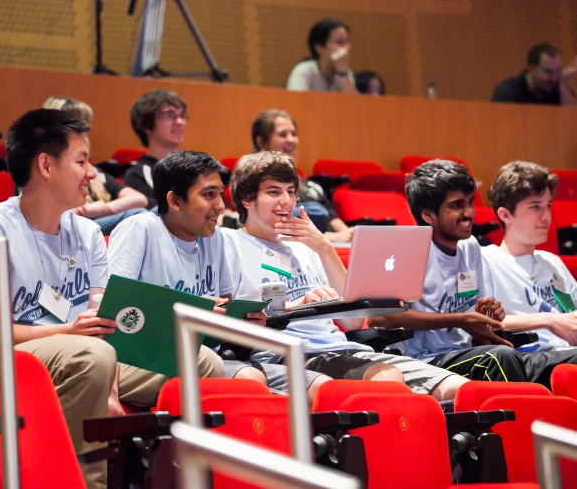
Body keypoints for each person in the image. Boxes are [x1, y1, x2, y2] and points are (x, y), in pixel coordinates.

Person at [0, 109, 222, 489]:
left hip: (89, 355)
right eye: (81, 160)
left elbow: (105, 320)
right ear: (45, 165)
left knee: (202, 360)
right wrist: (70, 331)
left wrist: (109, 389)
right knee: (91, 355)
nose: (92, 173)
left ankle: (174, 480)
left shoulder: (88, 232)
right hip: (13, 357)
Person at [224, 152, 467, 400]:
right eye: (274, 192)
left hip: (343, 348)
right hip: (292, 354)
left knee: (458, 390)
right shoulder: (230, 244)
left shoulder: (306, 246)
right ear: (247, 199)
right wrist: (299, 303)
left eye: (291, 191)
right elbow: (233, 311)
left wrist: (325, 248)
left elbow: (352, 322)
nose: (286, 201)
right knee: (388, 379)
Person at [108, 150, 323, 399]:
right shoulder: (140, 229)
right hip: (147, 356)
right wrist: (195, 311)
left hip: (208, 355)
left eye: (220, 194)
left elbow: (223, 311)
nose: (221, 206)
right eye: (209, 195)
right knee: (250, 380)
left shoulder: (215, 238)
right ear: (175, 201)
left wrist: (246, 322)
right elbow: (114, 310)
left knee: (317, 386)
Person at [369, 159, 577, 389]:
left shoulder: (470, 247)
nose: (469, 212)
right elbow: (381, 318)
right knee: (499, 358)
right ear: (428, 215)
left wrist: (489, 314)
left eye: (470, 202)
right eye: (457, 205)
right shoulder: (405, 248)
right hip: (427, 361)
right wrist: (462, 319)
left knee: (571, 359)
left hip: (471, 353)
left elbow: (479, 321)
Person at [482, 161, 577, 351]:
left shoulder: (552, 262)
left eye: (548, 205)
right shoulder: (487, 261)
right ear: (505, 215)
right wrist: (549, 320)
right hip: (534, 358)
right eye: (535, 207)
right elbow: (482, 323)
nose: (547, 216)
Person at [42, 96, 148, 234]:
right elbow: (55, 212)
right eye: (77, 126)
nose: (85, 133)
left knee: (161, 213)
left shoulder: (96, 172)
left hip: (97, 221)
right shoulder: (47, 169)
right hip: (75, 227)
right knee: (142, 217)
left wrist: (104, 208)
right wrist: (89, 210)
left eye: (85, 125)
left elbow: (139, 199)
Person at [251, 109, 354, 242]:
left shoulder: (312, 187)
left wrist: (350, 234)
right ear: (262, 142)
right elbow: (265, 227)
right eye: (283, 135)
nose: (291, 140)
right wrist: (329, 237)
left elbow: (333, 219)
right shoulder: (254, 184)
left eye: (294, 134)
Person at [123, 89, 188, 209]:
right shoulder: (137, 175)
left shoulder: (193, 169)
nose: (180, 122)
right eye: (169, 115)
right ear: (147, 125)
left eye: (182, 115)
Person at [286, 18, 358, 94]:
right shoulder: (304, 70)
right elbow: (296, 103)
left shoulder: (345, 72)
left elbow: (355, 104)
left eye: (346, 42)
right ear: (319, 48)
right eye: (339, 42)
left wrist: (343, 72)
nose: (345, 48)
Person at [491, 44, 577, 106]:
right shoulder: (508, 92)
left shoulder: (558, 88)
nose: (554, 78)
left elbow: (570, 120)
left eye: (558, 71)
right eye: (548, 72)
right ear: (531, 70)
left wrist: (563, 82)